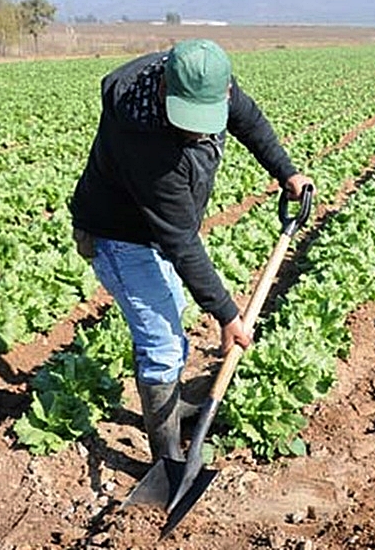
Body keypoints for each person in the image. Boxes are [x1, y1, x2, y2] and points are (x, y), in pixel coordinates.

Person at [68, 39, 312, 463]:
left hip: (153, 231)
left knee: (171, 315)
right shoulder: (142, 141)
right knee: (162, 343)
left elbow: (249, 120)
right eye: (190, 121)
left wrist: (286, 171)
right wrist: (227, 314)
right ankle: (167, 459)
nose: (199, 131)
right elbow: (180, 240)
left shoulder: (208, 77)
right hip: (118, 236)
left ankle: (173, 408)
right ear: (164, 89)